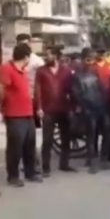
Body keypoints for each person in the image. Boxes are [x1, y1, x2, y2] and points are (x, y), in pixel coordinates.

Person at [0, 43, 42, 186]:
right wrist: (1, 108)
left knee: (29, 145)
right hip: (14, 114)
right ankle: (13, 176)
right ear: (26, 57)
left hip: (27, 113)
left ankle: (30, 172)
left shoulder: (23, 71)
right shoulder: (7, 69)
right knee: (15, 147)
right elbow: (1, 90)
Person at [35, 46, 75, 176]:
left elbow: (71, 89)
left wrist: (73, 105)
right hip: (48, 109)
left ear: (57, 56)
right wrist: (39, 107)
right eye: (46, 55)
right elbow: (38, 90)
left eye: (50, 55)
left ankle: (65, 164)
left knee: (66, 138)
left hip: (64, 107)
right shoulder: (41, 71)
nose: (47, 57)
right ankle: (45, 167)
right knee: (47, 139)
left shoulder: (66, 70)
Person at [72, 48, 110, 174]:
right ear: (83, 60)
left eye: (92, 59)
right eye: (88, 59)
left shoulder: (95, 73)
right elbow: (77, 94)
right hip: (88, 108)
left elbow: (102, 89)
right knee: (91, 135)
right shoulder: (77, 75)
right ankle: (91, 161)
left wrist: (104, 103)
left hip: (100, 106)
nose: (91, 62)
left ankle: (104, 158)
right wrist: (84, 107)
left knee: (107, 129)